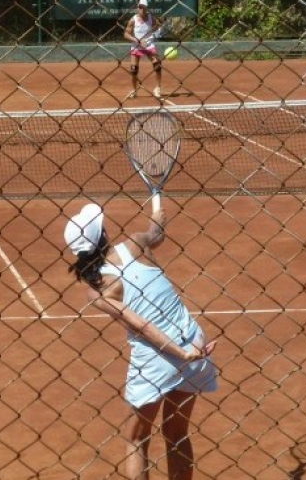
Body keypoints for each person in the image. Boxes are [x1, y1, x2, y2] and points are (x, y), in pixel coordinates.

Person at [64, 200, 218, 480]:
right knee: (177, 433)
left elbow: (142, 325)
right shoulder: (136, 243)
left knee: (136, 439)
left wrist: (177, 354)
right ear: (104, 234)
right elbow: (155, 235)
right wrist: (157, 219)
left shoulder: (97, 290)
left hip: (156, 361)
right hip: (195, 342)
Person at [123, 0, 170, 100]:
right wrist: (138, 41)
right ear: (137, 8)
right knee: (134, 69)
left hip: (149, 45)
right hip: (136, 46)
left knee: (157, 64)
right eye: (140, 7)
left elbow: (157, 27)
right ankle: (134, 90)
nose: (142, 9)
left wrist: (156, 33)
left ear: (146, 8)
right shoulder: (133, 20)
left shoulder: (151, 18)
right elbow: (126, 34)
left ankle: (157, 88)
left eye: (144, 7)